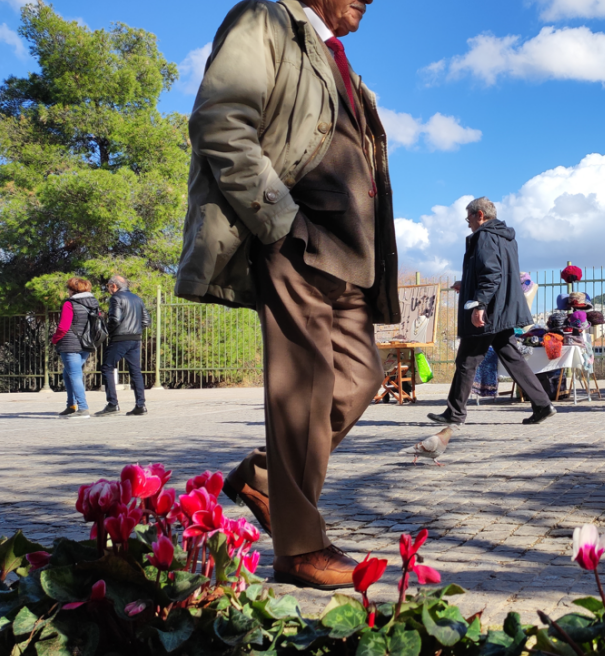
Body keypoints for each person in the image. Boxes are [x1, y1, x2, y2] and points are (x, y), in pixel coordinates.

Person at [177, 0, 400, 590]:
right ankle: (299, 549)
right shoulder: (268, 20)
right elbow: (220, 119)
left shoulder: (345, 68)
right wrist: (280, 221)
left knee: (360, 378)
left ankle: (265, 478)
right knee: (304, 386)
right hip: (296, 237)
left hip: (351, 254)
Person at [427, 197, 557, 425]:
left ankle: (454, 413)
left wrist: (479, 305)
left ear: (480, 215)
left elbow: (491, 274)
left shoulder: (485, 236)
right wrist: (466, 282)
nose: (467, 223)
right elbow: (497, 273)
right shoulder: (506, 238)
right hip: (503, 310)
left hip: (490, 313)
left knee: (467, 361)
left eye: (468, 218)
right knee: (513, 358)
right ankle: (543, 405)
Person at [96, 275, 150, 417]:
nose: (108, 289)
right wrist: (135, 331)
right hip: (135, 338)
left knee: (107, 367)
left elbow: (115, 319)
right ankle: (140, 405)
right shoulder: (137, 298)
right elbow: (146, 321)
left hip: (120, 338)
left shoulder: (116, 298)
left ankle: (112, 404)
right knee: (135, 371)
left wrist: (108, 331)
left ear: (114, 286)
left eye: (108, 286)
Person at [51, 278, 99, 418]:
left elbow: (63, 326)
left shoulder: (69, 304)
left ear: (73, 289)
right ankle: (71, 405)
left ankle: (83, 408)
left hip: (70, 343)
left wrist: (55, 339)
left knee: (75, 375)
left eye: (69, 288)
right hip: (86, 343)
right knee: (68, 373)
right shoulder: (94, 303)